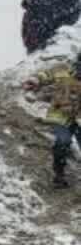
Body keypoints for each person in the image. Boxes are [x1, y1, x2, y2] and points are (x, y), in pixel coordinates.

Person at [22, 53, 81, 188]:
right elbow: (45, 75)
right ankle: (59, 176)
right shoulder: (62, 71)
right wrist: (33, 81)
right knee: (63, 141)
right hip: (59, 116)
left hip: (78, 118)